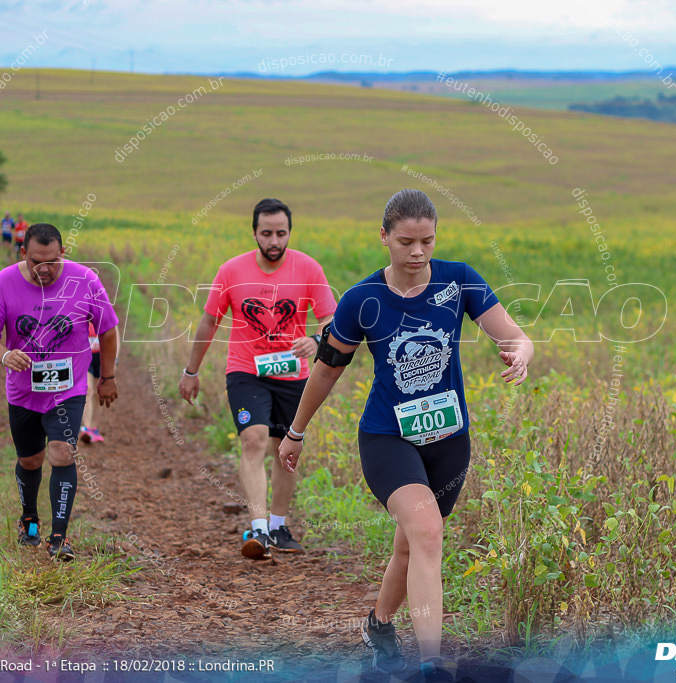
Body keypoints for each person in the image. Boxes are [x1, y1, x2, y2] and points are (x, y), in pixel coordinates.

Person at [278, 189, 533, 678]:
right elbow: (328, 369)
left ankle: (378, 623)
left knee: (410, 545)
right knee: (428, 533)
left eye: (427, 242)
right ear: (384, 237)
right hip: (387, 438)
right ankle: (433, 664)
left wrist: (521, 352)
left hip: (449, 439)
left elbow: (515, 335)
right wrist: (296, 431)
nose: (417, 253)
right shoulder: (362, 300)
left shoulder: (460, 281)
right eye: (406, 242)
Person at [179, 198, 337, 560]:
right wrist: (191, 370)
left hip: (293, 373)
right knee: (253, 439)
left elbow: (333, 320)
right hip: (245, 369)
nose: (274, 241)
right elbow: (209, 322)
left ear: (289, 233)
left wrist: (315, 340)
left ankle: (279, 526)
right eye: (266, 233)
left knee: (286, 452)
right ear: (254, 233)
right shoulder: (231, 271)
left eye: (281, 233)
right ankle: (259, 528)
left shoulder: (309, 269)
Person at [0, 222, 119, 561]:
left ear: (63, 254)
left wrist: (108, 377)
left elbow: (108, 330)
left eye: (52, 261)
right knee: (30, 459)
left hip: (68, 390)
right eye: (36, 261)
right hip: (23, 393)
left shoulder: (85, 280)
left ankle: (60, 536)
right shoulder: (5, 281)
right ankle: (29, 518)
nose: (45, 269)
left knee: (62, 454)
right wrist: (6, 355)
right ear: (23, 253)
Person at [80, 322, 105, 443]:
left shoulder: (106, 311)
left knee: (99, 392)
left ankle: (94, 428)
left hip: (102, 357)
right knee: (88, 389)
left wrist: (115, 360)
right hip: (86, 357)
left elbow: (115, 336)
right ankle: (86, 428)